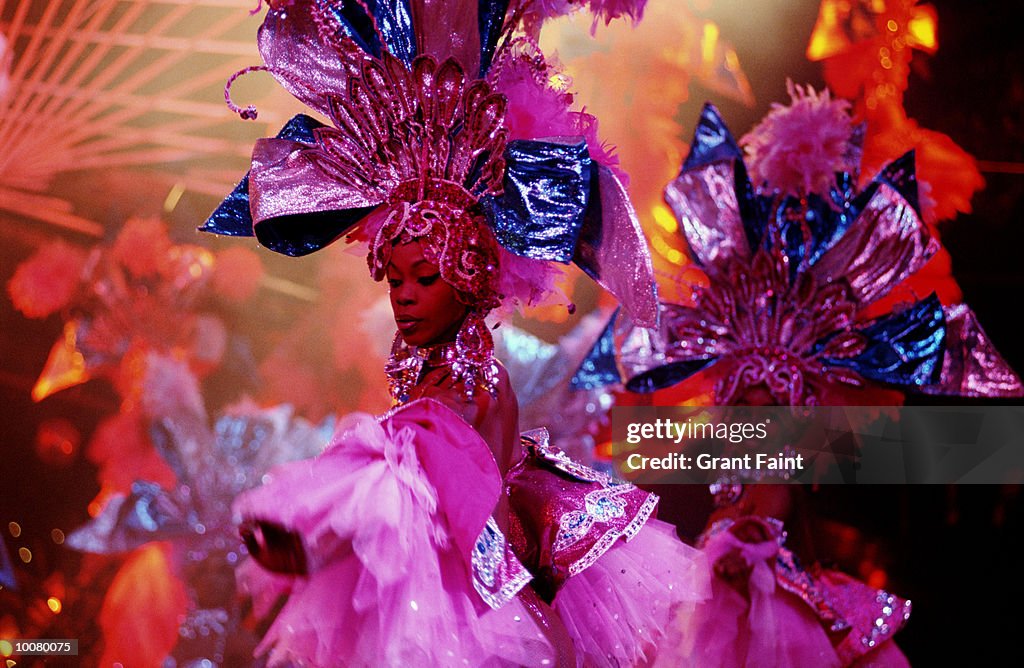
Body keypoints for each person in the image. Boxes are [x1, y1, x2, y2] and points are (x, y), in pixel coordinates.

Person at [203, 2, 706, 665]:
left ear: (467, 280)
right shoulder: (446, 380)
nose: (406, 297)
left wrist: (307, 529)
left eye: (425, 279)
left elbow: (400, 470)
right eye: (397, 279)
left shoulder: (460, 386)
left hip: (465, 612)